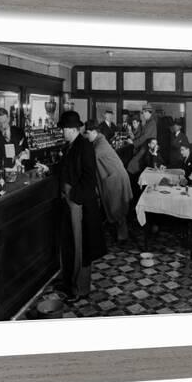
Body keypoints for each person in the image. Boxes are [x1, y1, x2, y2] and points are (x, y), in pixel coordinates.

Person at [57, 111, 107, 302]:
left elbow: (89, 177)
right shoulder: (71, 145)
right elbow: (65, 168)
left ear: (72, 129)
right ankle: (69, 282)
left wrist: (74, 197)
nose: (62, 132)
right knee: (69, 244)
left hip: (78, 202)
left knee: (80, 247)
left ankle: (79, 289)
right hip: (69, 199)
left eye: (64, 129)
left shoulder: (84, 146)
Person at [84, 120, 133, 241]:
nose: (86, 135)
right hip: (115, 177)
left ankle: (123, 237)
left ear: (94, 132)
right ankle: (121, 235)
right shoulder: (100, 140)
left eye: (88, 133)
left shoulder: (100, 145)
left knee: (118, 209)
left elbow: (89, 160)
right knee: (118, 208)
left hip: (116, 179)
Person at [127, 105, 157, 175]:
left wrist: (133, 143)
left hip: (147, 148)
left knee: (132, 164)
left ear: (147, 112)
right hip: (145, 146)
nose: (143, 115)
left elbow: (145, 137)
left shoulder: (151, 123)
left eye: (143, 113)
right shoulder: (148, 122)